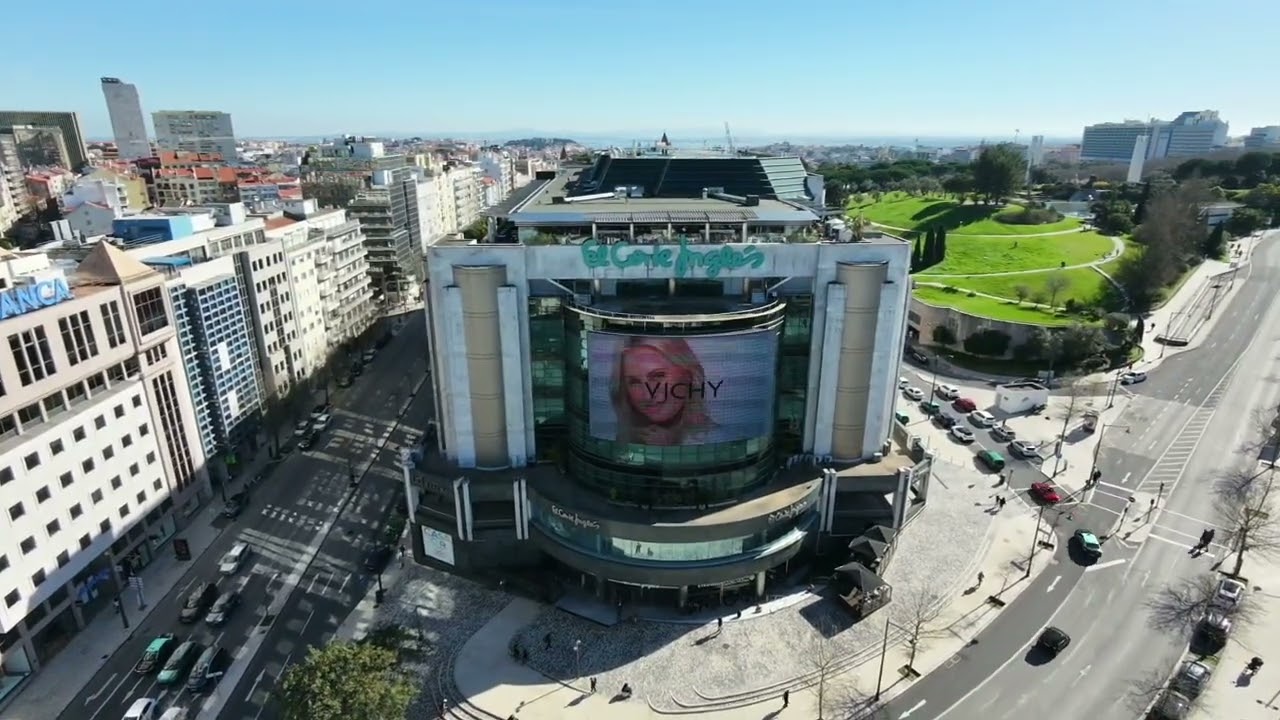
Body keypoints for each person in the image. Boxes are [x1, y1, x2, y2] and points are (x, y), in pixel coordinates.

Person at [607, 337, 723, 446]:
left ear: (688, 375)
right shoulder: (617, 438)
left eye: (658, 375)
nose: (647, 396)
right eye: (634, 382)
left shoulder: (715, 438)